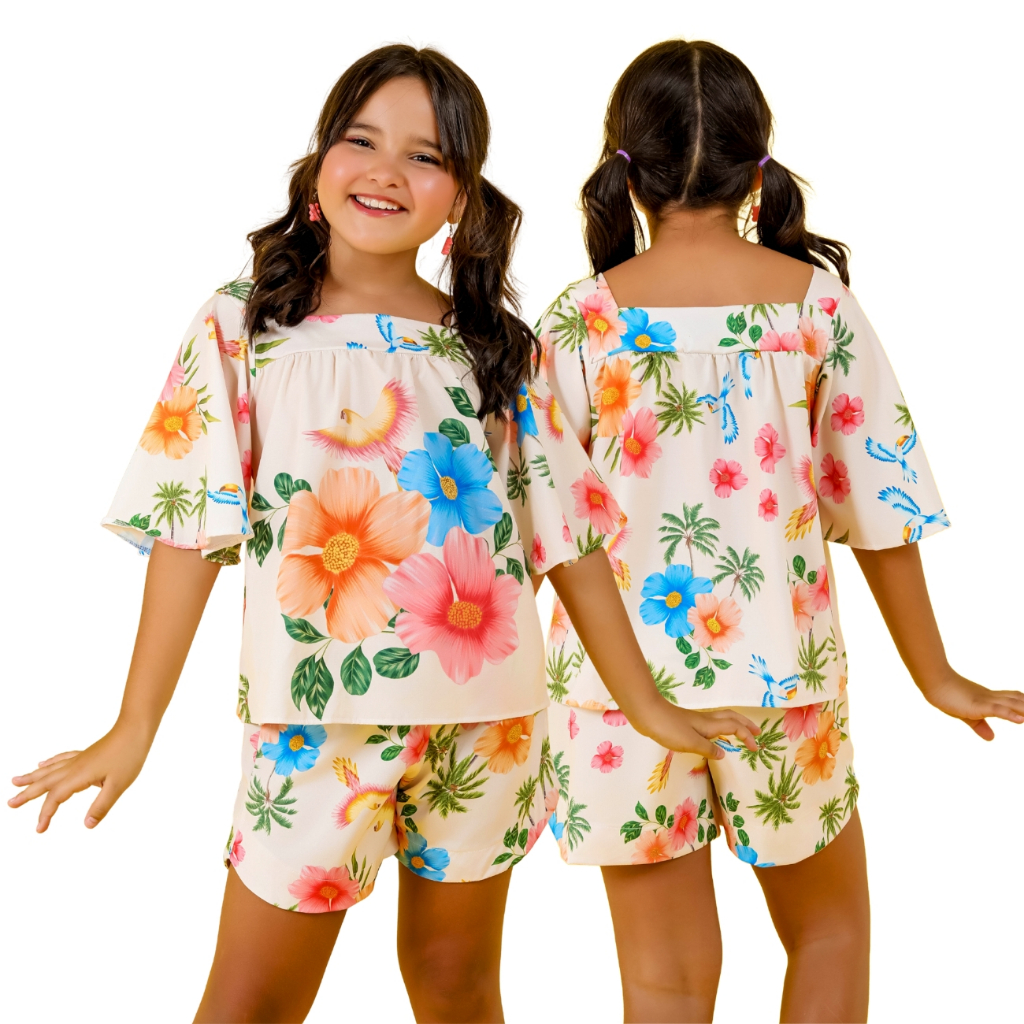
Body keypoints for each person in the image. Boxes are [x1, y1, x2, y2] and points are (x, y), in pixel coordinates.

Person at [8, 44, 759, 1024]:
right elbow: (190, 529)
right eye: (361, 141)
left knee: (456, 986)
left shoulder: (496, 347)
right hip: (313, 729)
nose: (386, 171)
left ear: (460, 196)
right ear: (320, 160)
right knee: (250, 1002)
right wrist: (134, 724)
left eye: (425, 156)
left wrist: (647, 704)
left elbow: (568, 540)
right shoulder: (243, 328)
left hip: (488, 725)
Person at [536, 38, 1024, 1024]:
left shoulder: (580, 320)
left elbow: (539, 522)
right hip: (781, 682)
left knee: (664, 981)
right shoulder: (816, 306)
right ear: (757, 166)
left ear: (626, 168)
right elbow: (879, 501)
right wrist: (936, 675)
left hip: (615, 694)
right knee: (828, 932)